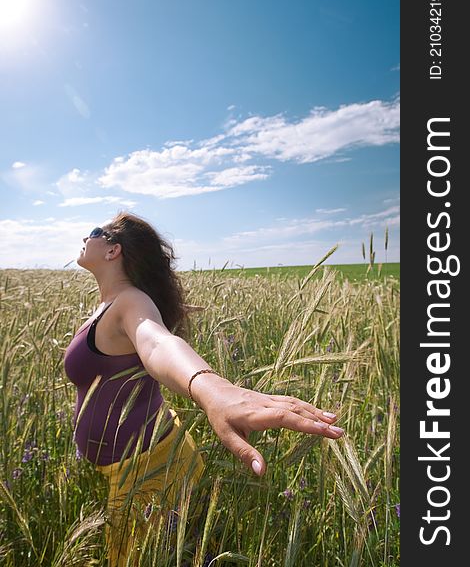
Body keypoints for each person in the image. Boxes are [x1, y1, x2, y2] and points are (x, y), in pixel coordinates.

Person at [64, 211, 344, 566]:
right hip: (134, 462)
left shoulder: (130, 302)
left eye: (94, 232)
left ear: (113, 250)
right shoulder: (109, 306)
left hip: (147, 470)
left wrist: (213, 388)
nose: (85, 237)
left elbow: (157, 344)